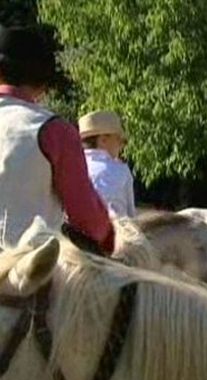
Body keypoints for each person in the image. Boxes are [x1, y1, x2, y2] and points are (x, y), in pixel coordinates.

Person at [0, 25, 114, 254]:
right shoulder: (54, 130)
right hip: (27, 272)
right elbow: (89, 221)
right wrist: (109, 236)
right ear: (43, 84)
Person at [79, 110, 136, 219]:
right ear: (103, 140)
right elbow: (131, 215)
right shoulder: (121, 170)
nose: (122, 145)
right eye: (119, 139)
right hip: (116, 232)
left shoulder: (72, 168)